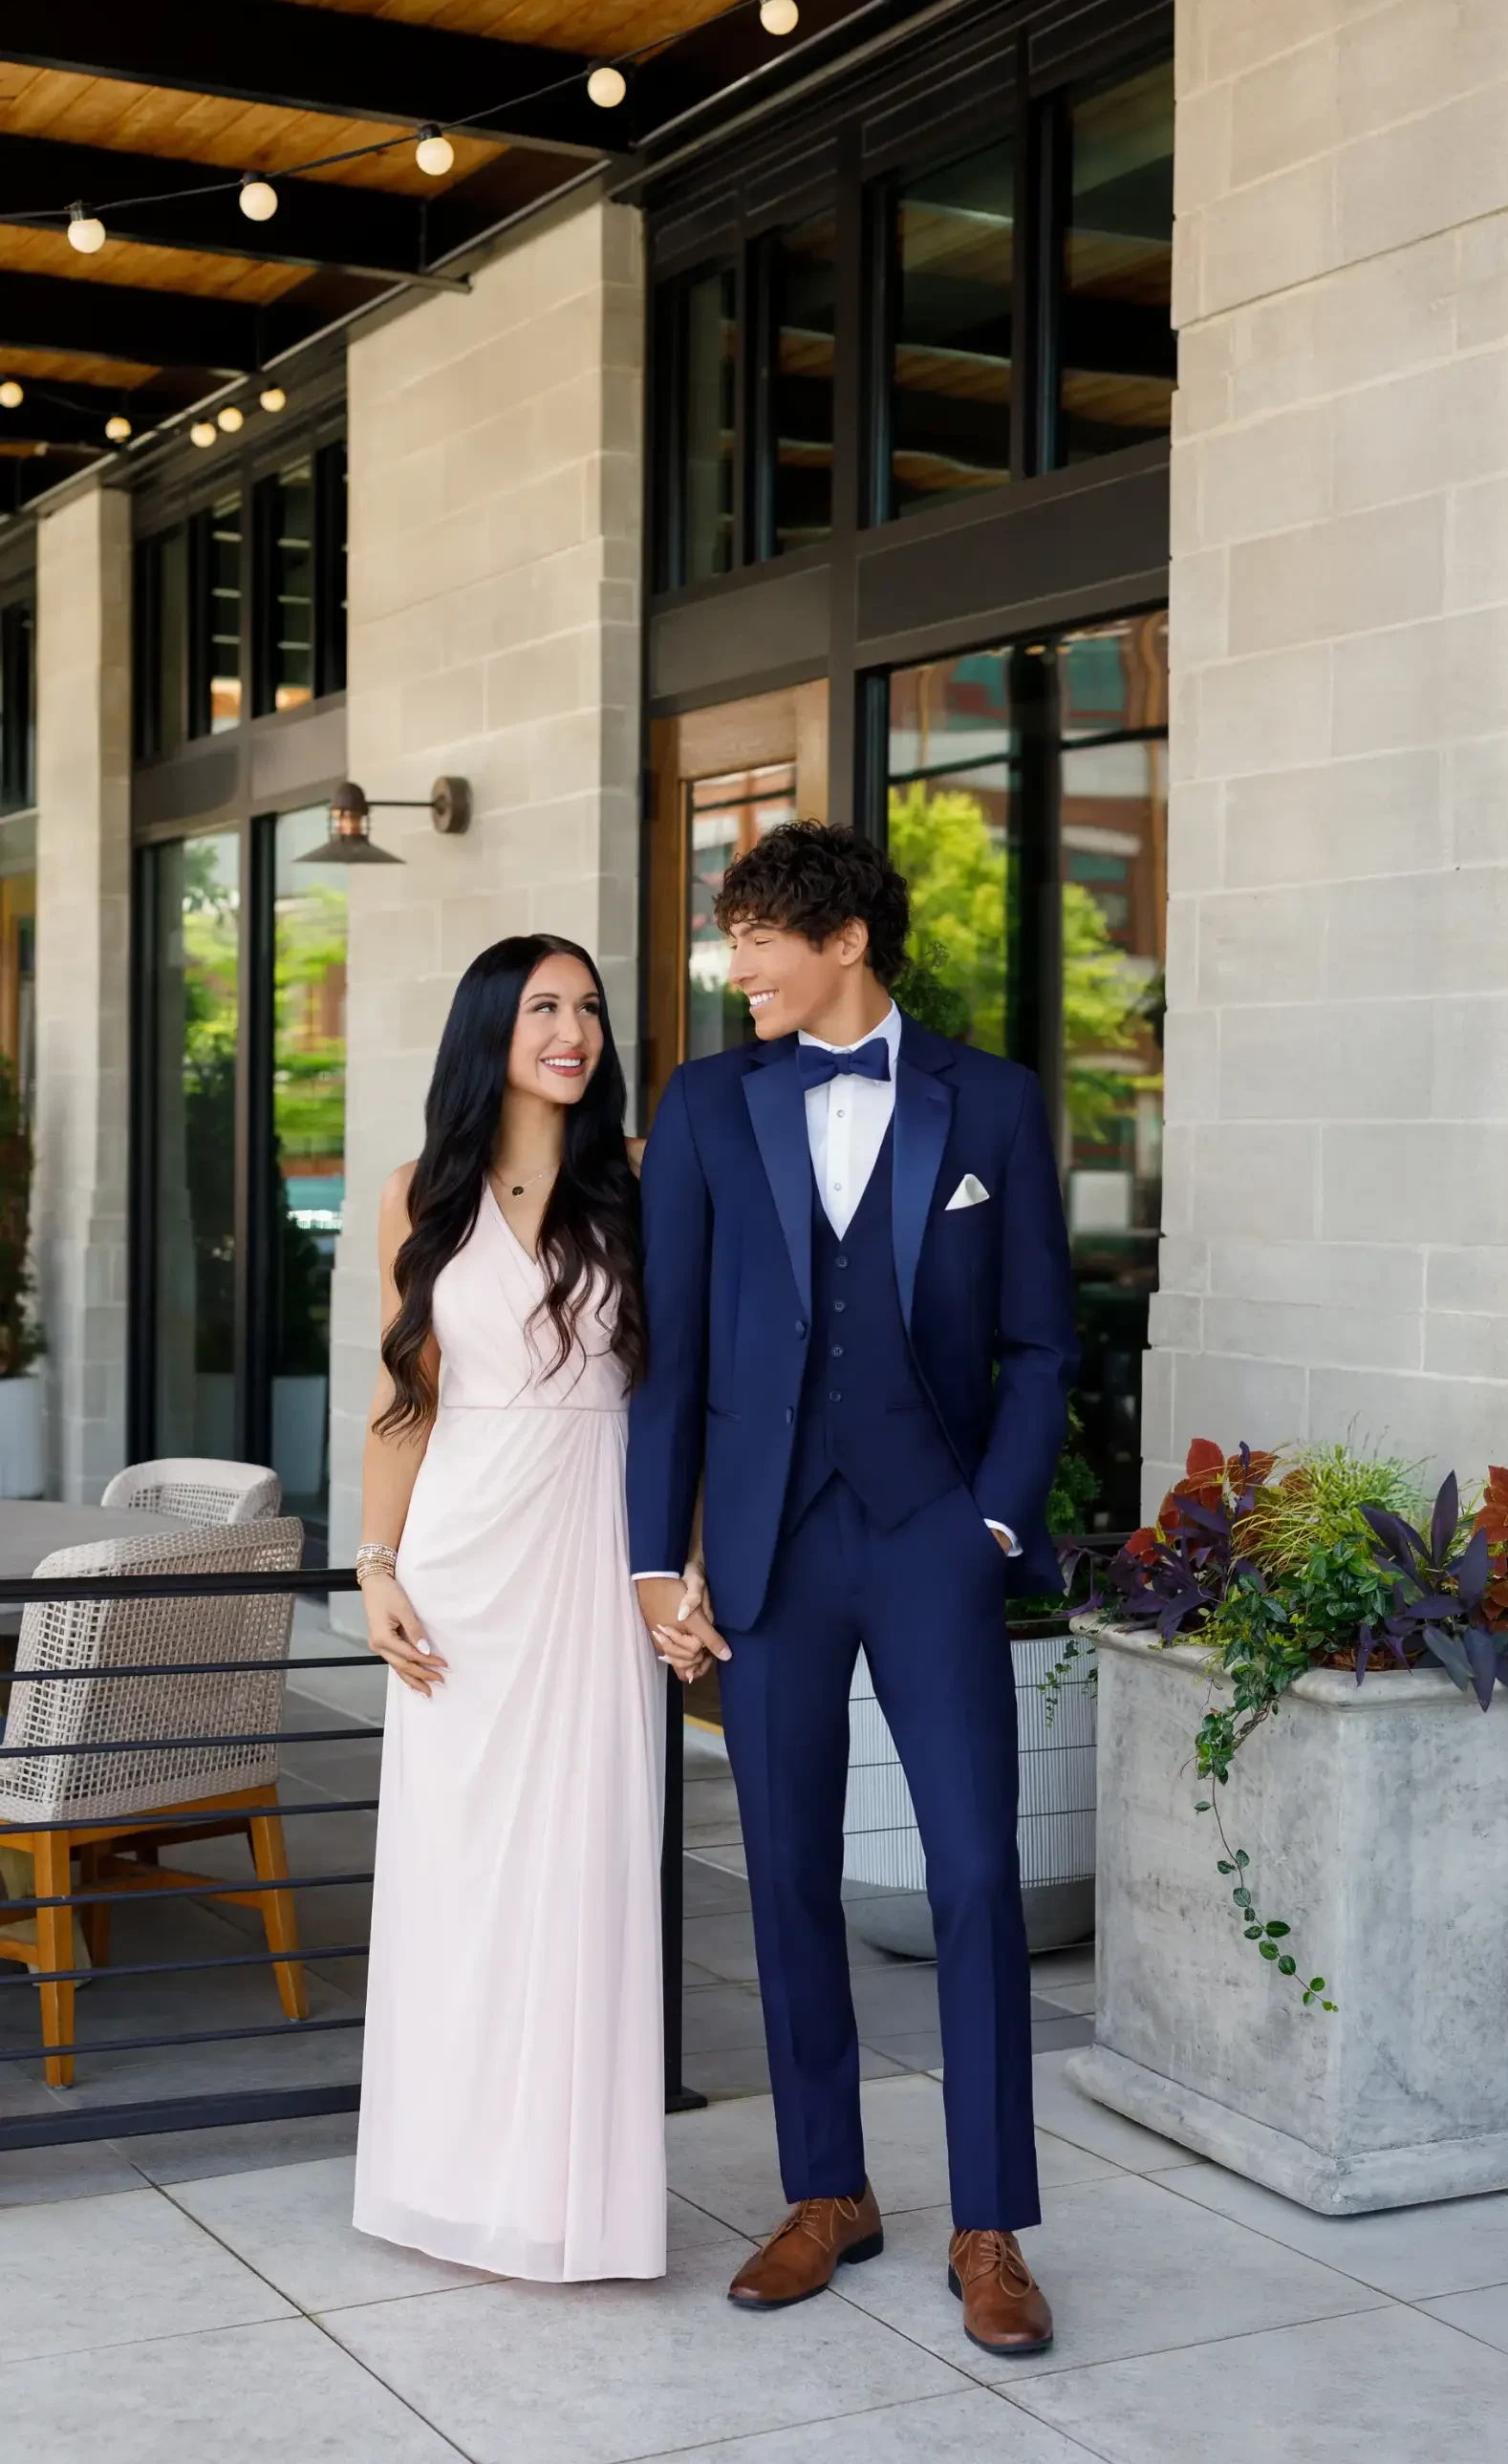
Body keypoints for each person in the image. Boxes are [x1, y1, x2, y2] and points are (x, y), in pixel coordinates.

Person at [628, 824, 1078, 2355]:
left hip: (931, 1536)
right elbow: (672, 1357)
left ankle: (989, 2225)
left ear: (843, 945)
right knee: (787, 1875)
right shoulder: (702, 1107)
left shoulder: (993, 1105)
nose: (733, 963)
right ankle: (828, 2191)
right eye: (731, 933)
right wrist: (651, 1551)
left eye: (756, 934)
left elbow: (1041, 1345)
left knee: (968, 1880)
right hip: (770, 1552)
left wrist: (995, 1525)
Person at [352, 933, 678, 2282]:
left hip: (597, 1547)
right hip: (461, 1566)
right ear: (490, 1026)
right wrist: (374, 1568)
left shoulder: (645, 1184)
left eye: (591, 1007)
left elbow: (676, 1397)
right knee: (461, 1876)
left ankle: (572, 2200)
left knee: (590, 1865)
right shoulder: (415, 1195)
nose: (575, 1029)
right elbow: (404, 1397)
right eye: (546, 1006)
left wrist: (681, 1557)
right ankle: (446, 2183)